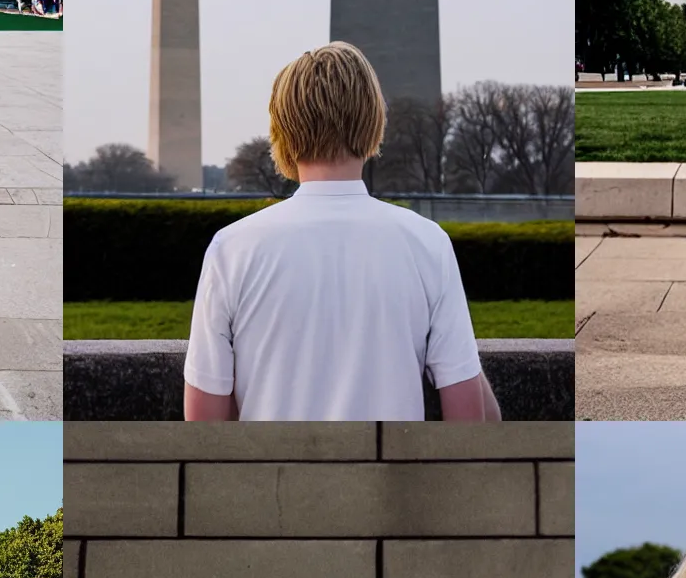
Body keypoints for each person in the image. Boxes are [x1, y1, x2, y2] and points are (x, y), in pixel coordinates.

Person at [183, 41, 500, 421]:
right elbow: (470, 422)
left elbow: (204, 429)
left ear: (281, 131)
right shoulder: (428, 243)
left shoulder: (232, 249)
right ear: (373, 122)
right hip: (393, 481)